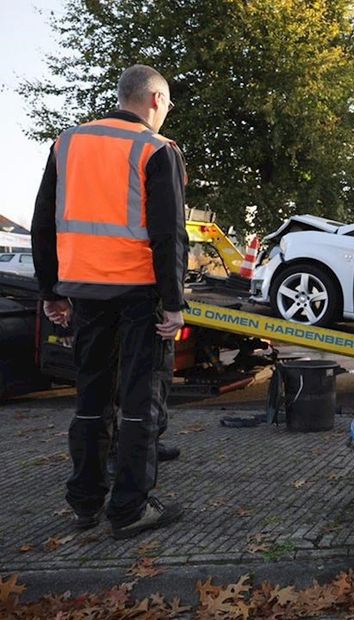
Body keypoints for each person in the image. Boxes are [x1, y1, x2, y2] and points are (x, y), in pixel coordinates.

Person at [31, 64, 187, 539]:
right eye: (167, 103)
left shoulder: (67, 144)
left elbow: (43, 223)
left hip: (84, 294)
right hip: (139, 295)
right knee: (141, 399)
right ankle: (129, 509)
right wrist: (174, 302)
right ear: (154, 100)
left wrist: (51, 291)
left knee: (91, 397)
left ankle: (85, 503)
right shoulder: (157, 149)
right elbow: (168, 235)